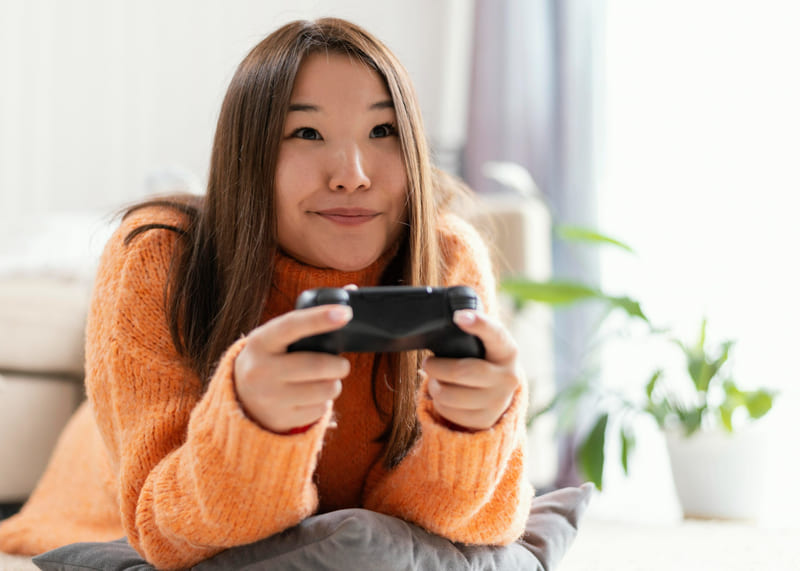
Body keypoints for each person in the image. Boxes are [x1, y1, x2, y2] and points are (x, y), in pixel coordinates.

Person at [0, 18, 532, 569]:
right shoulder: (156, 252)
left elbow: (466, 523)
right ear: (248, 153)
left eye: (383, 131)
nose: (352, 175)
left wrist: (474, 431)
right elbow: (163, 529)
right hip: (103, 491)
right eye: (305, 133)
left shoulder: (447, 254)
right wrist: (252, 427)